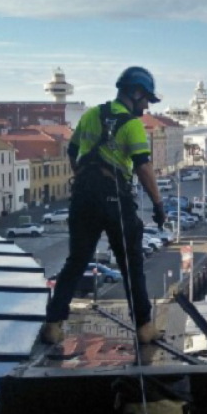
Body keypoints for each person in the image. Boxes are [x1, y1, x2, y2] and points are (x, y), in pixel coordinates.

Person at [42, 66, 167, 345]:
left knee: (76, 261)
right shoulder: (132, 125)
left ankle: (53, 324)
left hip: (83, 195)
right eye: (145, 98)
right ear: (134, 93)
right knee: (131, 264)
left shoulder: (90, 115)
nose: (146, 105)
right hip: (114, 198)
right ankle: (144, 327)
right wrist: (158, 205)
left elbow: (73, 152)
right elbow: (144, 167)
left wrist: (86, 179)